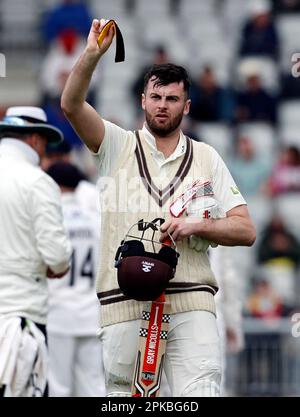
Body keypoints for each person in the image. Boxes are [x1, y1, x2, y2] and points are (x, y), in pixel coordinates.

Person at [61, 18, 256, 397]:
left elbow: (245, 230)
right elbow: (70, 105)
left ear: (186, 105)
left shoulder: (207, 156)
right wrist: (92, 55)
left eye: (171, 99)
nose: (162, 106)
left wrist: (198, 226)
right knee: (124, 400)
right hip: (125, 301)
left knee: (201, 394)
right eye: (156, 97)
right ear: (142, 101)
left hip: (191, 298)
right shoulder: (116, 144)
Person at [0, 106, 72, 397]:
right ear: (33, 139)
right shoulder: (38, 182)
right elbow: (57, 257)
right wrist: (53, 265)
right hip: (21, 317)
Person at [46, 162, 105, 397]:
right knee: (93, 386)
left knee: (58, 386)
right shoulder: (95, 220)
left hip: (58, 314)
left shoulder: (51, 219)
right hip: (91, 314)